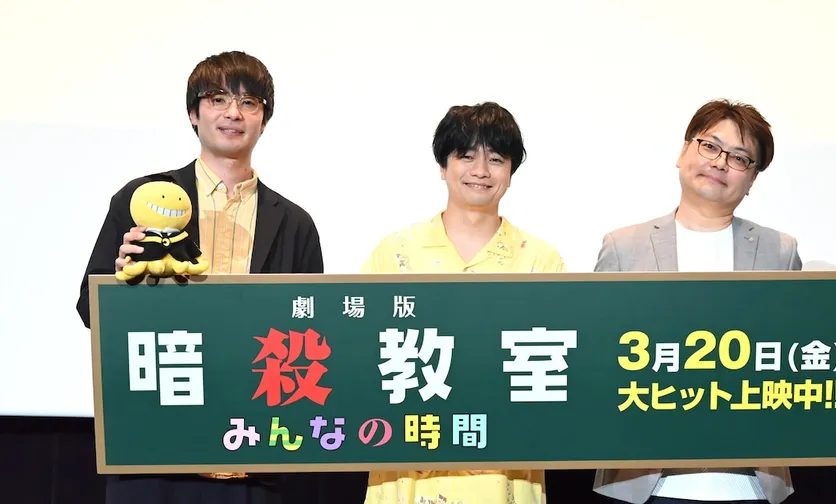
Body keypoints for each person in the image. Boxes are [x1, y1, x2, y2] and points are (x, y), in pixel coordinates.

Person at [76, 51, 324, 504]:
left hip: (254, 451)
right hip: (156, 449)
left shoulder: (295, 223)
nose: (233, 113)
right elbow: (89, 312)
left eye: (249, 103)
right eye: (218, 99)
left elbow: (310, 333)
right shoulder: (144, 200)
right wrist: (119, 284)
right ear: (194, 113)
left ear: (264, 119)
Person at [592, 99, 799, 504]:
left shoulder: (780, 252)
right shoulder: (623, 247)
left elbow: (790, 358)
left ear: (752, 178)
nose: (720, 162)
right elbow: (598, 357)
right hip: (642, 484)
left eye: (739, 157)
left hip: (749, 485)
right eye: (710, 146)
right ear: (684, 151)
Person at [360, 102, 565, 504]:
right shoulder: (396, 253)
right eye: (466, 156)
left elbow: (556, 380)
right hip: (410, 469)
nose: (481, 170)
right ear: (443, 165)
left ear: (511, 172)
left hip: (504, 473)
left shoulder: (541, 261)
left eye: (496, 159)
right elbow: (360, 358)